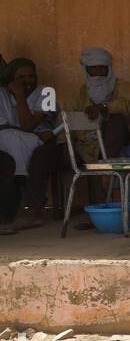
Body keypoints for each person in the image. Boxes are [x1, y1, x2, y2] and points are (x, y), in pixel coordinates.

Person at [0, 58, 56, 231]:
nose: (27, 80)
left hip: (42, 142)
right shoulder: (1, 94)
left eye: (31, 76)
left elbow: (27, 125)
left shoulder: (48, 92)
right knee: (9, 137)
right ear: (10, 78)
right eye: (21, 77)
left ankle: (26, 203)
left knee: (15, 139)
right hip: (10, 141)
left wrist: (19, 96)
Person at [71, 47, 130, 162]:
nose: (98, 73)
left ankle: (108, 167)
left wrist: (102, 108)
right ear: (86, 70)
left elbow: (125, 105)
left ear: (108, 69)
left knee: (116, 119)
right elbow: (68, 120)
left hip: (119, 143)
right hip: (88, 146)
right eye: (93, 68)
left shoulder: (122, 86)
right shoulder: (79, 93)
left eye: (102, 68)